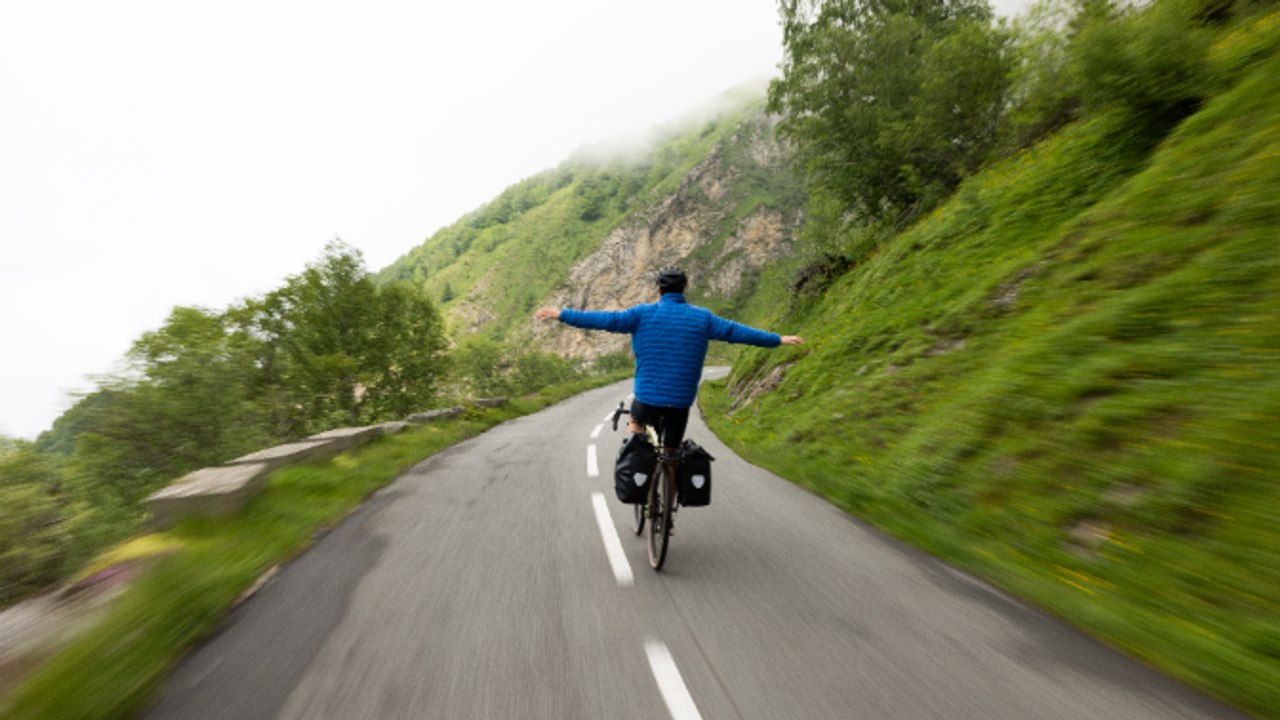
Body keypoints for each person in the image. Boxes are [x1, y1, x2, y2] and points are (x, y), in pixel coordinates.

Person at [534, 266, 802, 450]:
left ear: (659, 291)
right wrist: (777, 339)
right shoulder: (703, 317)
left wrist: (562, 314)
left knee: (636, 423)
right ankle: (667, 501)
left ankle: (637, 459)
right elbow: (738, 332)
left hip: (647, 397)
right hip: (681, 400)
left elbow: (605, 319)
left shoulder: (641, 314)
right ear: (684, 289)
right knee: (671, 451)